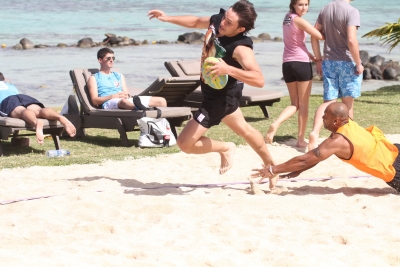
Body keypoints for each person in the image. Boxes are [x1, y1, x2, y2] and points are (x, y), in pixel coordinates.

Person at [148, 0, 275, 174]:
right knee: (245, 130)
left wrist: (228, 69)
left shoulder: (240, 47)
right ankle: (272, 167)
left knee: (185, 143)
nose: (223, 23)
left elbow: (259, 79)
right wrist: (167, 18)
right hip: (215, 93)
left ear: (240, 29)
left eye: (229, 23)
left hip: (219, 100)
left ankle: (225, 148)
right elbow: (195, 21)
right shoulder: (219, 21)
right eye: (225, 17)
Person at [252, 102, 400, 192]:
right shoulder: (347, 125)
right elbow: (316, 157)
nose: (322, 119)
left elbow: (306, 159)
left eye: (325, 116)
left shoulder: (337, 140)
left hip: (394, 169)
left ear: (336, 121)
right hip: (395, 151)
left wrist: (272, 170)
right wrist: (297, 171)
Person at [265, 0, 324, 148]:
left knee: (294, 104)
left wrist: (310, 54)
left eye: (306, 4)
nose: (304, 7)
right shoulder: (300, 21)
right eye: (300, 4)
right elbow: (320, 36)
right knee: (303, 105)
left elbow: (295, 42)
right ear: (293, 5)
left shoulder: (287, 18)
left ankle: (276, 123)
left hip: (287, 64)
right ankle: (300, 139)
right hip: (301, 65)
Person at [307, 0, 364, 151]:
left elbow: (314, 35)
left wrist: (318, 58)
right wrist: (358, 63)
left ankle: (315, 132)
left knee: (328, 103)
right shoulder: (352, 11)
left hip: (329, 61)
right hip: (347, 62)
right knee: (347, 102)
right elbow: (351, 40)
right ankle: (348, 138)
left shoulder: (325, 9)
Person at [0, 72, 76, 144]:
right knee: (39, 110)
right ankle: (59, 117)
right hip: (22, 96)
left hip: (7, 101)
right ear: (3, 79)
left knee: (21, 111)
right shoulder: (9, 85)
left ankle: (36, 122)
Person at [87, 48, 167, 110]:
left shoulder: (119, 75)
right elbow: (94, 100)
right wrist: (111, 96)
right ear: (100, 60)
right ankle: (143, 109)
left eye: (113, 58)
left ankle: (164, 125)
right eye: (108, 58)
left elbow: (126, 93)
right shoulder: (94, 78)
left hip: (125, 100)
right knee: (124, 102)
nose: (111, 60)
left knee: (161, 101)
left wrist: (126, 95)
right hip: (109, 102)